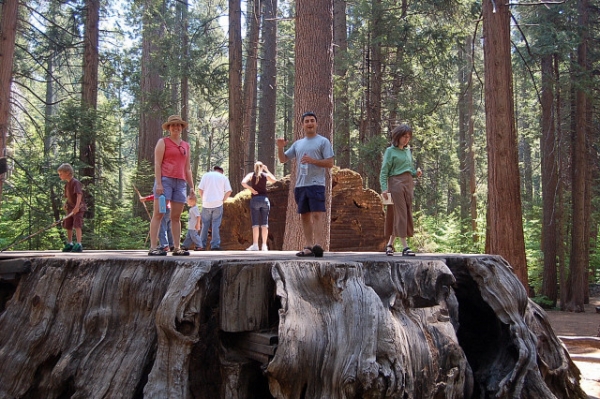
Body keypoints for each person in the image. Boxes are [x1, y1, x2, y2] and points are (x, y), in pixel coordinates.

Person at [276, 111, 334, 257]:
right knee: (305, 215)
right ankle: (308, 246)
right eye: (306, 121)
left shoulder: (323, 141)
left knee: (317, 214)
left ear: (316, 123)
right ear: (302, 125)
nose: (309, 123)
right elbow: (283, 159)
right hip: (301, 185)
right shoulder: (298, 144)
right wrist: (280, 147)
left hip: (317, 184)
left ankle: (318, 245)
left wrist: (313, 161)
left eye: (312, 121)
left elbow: (330, 163)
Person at [148, 115, 196, 256]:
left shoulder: (186, 146)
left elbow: (187, 168)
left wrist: (192, 187)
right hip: (165, 180)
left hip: (180, 183)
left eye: (178, 125)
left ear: (181, 128)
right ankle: (153, 247)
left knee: (176, 216)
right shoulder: (163, 142)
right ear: (168, 128)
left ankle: (176, 247)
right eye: (173, 125)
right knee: (159, 213)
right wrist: (159, 183)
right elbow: (157, 163)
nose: (176, 127)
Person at [380, 123, 422, 256]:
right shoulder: (390, 151)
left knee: (400, 213)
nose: (406, 139)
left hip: (408, 183)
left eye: (408, 137)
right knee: (401, 213)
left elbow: (408, 169)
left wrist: (416, 173)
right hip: (396, 183)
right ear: (397, 137)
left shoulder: (407, 151)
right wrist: (384, 188)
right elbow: (384, 171)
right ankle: (405, 246)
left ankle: (389, 245)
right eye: (404, 136)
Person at [241, 161, 278, 251]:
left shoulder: (251, 175)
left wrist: (251, 189)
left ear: (254, 167)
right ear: (262, 167)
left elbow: (243, 182)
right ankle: (264, 245)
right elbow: (274, 180)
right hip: (265, 200)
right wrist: (267, 170)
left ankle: (255, 245)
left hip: (255, 200)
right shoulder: (265, 175)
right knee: (265, 223)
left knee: (255, 224)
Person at [198, 165, 232, 250]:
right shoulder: (223, 177)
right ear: (221, 171)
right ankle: (215, 245)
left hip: (206, 204)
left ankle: (201, 245)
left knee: (205, 225)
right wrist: (223, 200)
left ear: (214, 170)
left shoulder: (206, 175)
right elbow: (229, 191)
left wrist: (203, 199)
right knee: (215, 225)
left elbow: (200, 189)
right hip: (218, 204)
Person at [57, 163, 87, 252]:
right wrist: (66, 204)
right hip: (70, 208)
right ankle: (70, 243)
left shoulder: (75, 182)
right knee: (68, 225)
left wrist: (77, 207)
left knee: (77, 224)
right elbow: (67, 197)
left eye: (61, 174)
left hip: (78, 208)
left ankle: (79, 244)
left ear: (67, 172)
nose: (60, 176)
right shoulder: (67, 185)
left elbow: (79, 195)